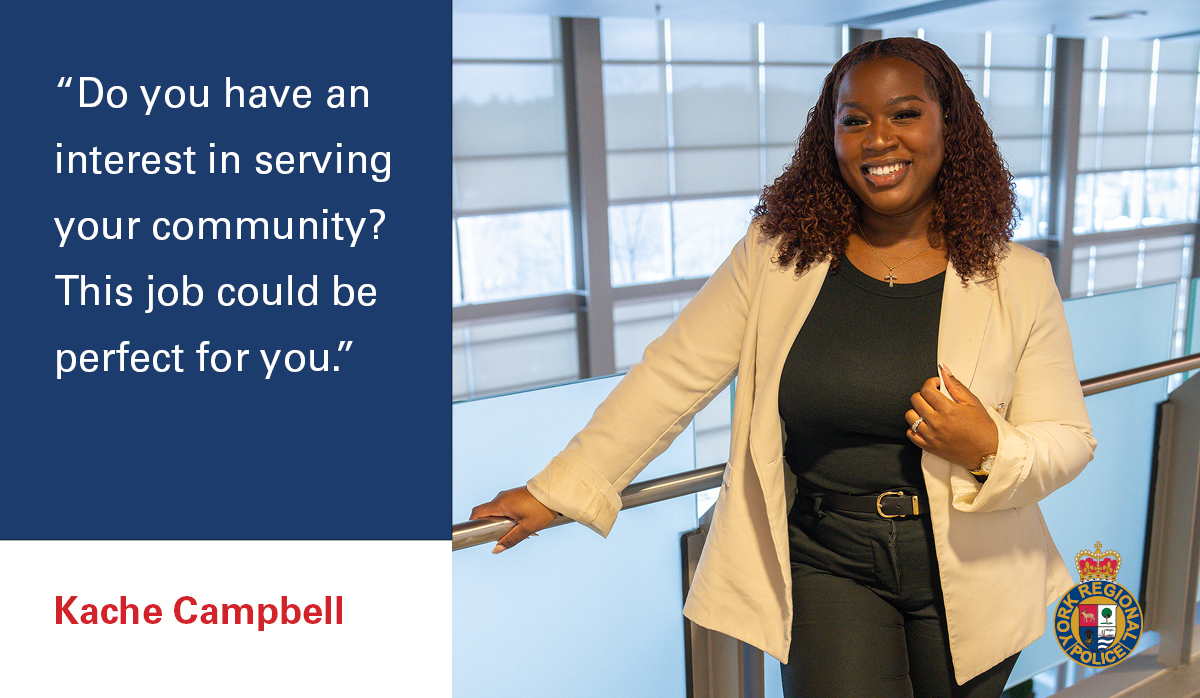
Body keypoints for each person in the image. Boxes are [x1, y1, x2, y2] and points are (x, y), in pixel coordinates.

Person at [471, 37, 1095, 698]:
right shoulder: (775, 257)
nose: (879, 139)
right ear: (830, 140)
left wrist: (989, 448)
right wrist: (563, 486)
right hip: (828, 559)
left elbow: (1068, 437)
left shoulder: (1019, 278)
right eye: (855, 121)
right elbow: (672, 375)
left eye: (905, 114)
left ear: (950, 126)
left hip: (977, 561)